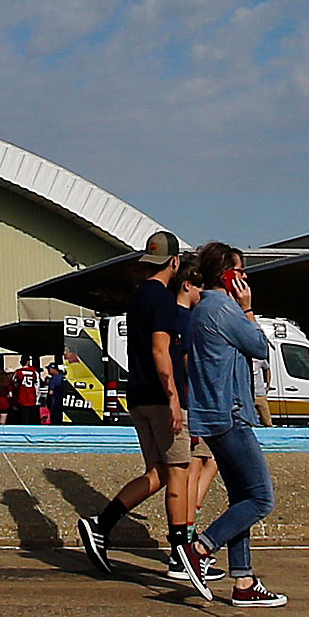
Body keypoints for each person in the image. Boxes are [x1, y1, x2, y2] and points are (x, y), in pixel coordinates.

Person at [78, 227, 196, 578]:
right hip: (161, 397)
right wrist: (174, 397)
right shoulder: (162, 300)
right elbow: (161, 351)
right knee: (179, 471)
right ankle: (181, 552)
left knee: (158, 472)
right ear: (174, 262)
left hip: (138, 396)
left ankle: (102, 523)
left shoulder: (138, 298)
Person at [172, 244, 284, 608]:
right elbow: (259, 346)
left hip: (211, 413)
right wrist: (248, 307)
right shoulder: (224, 307)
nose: (246, 277)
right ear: (228, 276)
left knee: (241, 497)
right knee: (261, 497)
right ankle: (201, 548)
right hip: (231, 412)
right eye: (241, 271)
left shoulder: (201, 308)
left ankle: (244, 580)